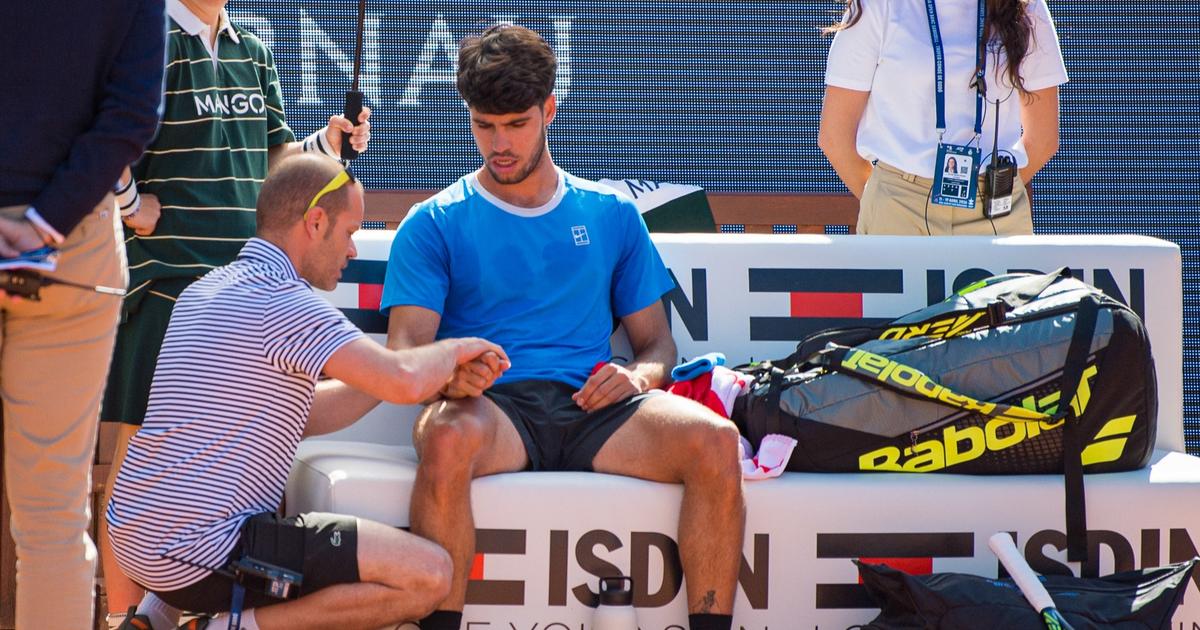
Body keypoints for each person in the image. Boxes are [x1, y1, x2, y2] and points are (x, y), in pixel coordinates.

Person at [381, 24, 745, 630]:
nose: (498, 144)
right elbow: (404, 356)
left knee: (715, 440)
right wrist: (451, 376)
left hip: (594, 409)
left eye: (515, 124)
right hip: (490, 410)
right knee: (446, 436)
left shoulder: (611, 214)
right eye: (483, 125)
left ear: (549, 109)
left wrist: (635, 376)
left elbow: (656, 344)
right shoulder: (433, 221)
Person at [107, 154, 508, 630]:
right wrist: (458, 348)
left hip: (134, 542)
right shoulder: (286, 303)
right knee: (431, 575)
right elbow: (403, 378)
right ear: (315, 222)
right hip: (199, 553)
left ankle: (152, 620)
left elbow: (303, 413)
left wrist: (398, 380)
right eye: (349, 232)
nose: (354, 250)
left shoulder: (205, 290)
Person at [99, 0, 373, 624]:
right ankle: (123, 619)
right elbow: (99, 135)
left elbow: (277, 166)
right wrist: (130, 203)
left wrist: (325, 145)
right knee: (144, 456)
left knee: (230, 460)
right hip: (166, 285)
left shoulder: (253, 47)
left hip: (246, 295)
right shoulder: (147, 37)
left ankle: (172, 613)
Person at [0, 1, 165, 627]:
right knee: (52, 520)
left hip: (65, 250)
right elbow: (130, 115)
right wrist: (42, 226)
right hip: (74, 248)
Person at [817, 0, 1068, 235]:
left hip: (995, 209)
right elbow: (835, 137)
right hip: (901, 207)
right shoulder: (881, 5)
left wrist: (989, 187)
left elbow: (1043, 138)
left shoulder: (1026, 6)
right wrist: (889, 198)